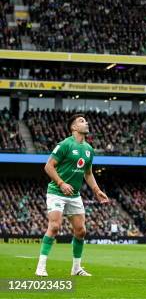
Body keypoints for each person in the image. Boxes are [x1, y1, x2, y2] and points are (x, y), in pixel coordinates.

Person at [35, 114, 109, 277]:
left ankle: (76, 268)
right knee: (54, 226)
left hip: (74, 195)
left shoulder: (89, 149)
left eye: (85, 120)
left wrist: (97, 190)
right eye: (81, 121)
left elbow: (88, 173)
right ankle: (41, 266)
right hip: (57, 192)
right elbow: (48, 166)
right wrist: (61, 183)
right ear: (73, 127)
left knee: (81, 231)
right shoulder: (65, 145)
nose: (86, 123)